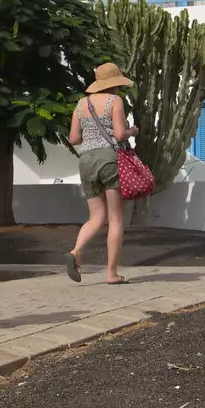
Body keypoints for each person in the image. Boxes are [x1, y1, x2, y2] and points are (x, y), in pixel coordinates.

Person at [65, 61, 137, 285]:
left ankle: (76, 251)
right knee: (115, 219)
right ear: (114, 84)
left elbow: (74, 139)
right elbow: (119, 133)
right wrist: (132, 130)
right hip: (108, 159)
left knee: (96, 217)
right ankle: (111, 274)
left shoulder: (81, 103)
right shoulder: (115, 101)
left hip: (86, 161)